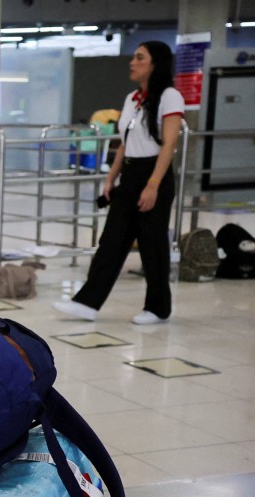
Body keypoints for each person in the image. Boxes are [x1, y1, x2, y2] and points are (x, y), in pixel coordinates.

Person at [54, 41, 182, 326]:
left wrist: (153, 184)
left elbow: (169, 144)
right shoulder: (132, 99)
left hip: (155, 174)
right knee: (111, 240)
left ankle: (158, 307)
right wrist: (111, 178)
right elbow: (125, 144)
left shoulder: (170, 97)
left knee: (152, 243)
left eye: (140, 58)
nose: (132, 62)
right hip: (130, 173)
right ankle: (87, 303)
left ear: (155, 64)